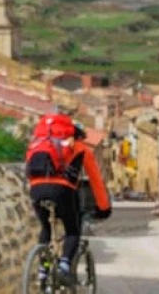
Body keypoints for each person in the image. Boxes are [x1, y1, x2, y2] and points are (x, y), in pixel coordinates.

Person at [26, 112, 112, 287]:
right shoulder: (80, 148)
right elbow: (96, 180)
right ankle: (64, 266)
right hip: (62, 191)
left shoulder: (38, 144)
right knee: (72, 230)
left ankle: (43, 270)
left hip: (36, 190)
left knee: (46, 228)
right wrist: (104, 208)